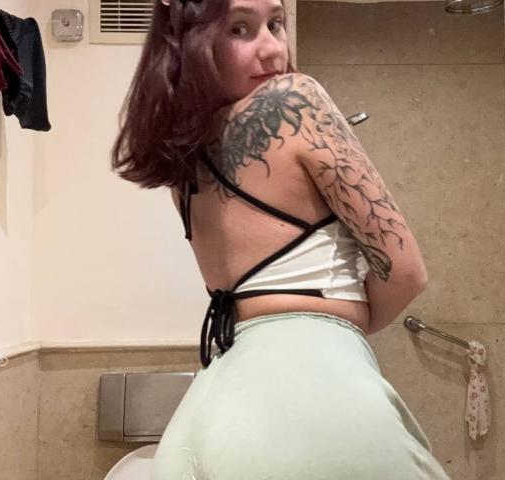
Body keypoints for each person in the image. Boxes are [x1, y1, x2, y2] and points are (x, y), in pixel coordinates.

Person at [111, 0, 452, 478]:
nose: (272, 49)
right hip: (313, 392)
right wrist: (338, 329)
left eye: (276, 24)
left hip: (210, 407)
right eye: (240, 29)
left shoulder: (180, 163)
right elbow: (406, 272)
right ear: (195, 43)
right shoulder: (294, 99)